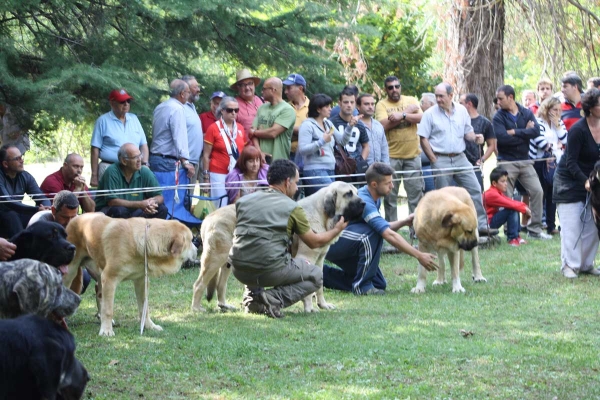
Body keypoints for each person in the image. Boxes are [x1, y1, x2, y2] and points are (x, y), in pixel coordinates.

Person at [228, 159, 348, 318]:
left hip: (239, 269)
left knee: (254, 249)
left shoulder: (243, 201)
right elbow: (314, 242)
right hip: (268, 270)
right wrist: (337, 230)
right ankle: (271, 300)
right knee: (316, 275)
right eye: (296, 182)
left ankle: (252, 299)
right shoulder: (293, 208)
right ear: (287, 182)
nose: (297, 187)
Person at [324, 162, 437, 295]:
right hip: (332, 243)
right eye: (387, 183)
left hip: (350, 242)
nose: (392, 186)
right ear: (374, 185)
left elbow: (382, 226)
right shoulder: (364, 201)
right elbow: (387, 233)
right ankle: (362, 287)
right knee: (372, 234)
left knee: (378, 284)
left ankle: (321, 275)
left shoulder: (374, 198)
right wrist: (419, 255)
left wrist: (404, 221)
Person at [418, 83, 492, 236]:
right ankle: (443, 229)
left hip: (461, 157)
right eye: (436, 96)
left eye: (441, 96)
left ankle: (481, 225)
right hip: (441, 159)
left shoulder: (462, 111)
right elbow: (423, 138)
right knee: (443, 196)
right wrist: (433, 159)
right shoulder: (430, 114)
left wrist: (476, 137)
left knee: (475, 189)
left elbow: (468, 133)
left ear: (451, 96)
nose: (438, 99)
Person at [553, 88, 600, 278]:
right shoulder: (578, 130)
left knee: (593, 226)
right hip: (569, 181)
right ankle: (569, 265)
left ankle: (586, 264)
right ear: (590, 108)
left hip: (593, 180)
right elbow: (570, 162)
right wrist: (585, 182)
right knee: (572, 225)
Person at [493, 84, 551, 240]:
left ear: (510, 97)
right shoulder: (498, 116)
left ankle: (535, 230)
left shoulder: (526, 112)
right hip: (507, 161)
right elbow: (502, 139)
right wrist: (525, 133)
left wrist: (515, 132)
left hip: (525, 160)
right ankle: (510, 232)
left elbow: (536, 131)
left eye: (501, 99)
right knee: (507, 197)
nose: (498, 102)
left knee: (537, 191)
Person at [375, 76, 423, 222]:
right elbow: (382, 126)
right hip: (391, 157)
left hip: (413, 156)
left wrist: (401, 115)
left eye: (397, 86)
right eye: (390, 87)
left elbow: (421, 118)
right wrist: (408, 114)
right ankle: (392, 233)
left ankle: (415, 231)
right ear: (386, 90)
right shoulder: (381, 105)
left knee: (415, 196)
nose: (394, 89)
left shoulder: (411, 101)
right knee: (390, 197)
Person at [297, 93, 353, 196]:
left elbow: (342, 141)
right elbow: (303, 149)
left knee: (325, 206)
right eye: (327, 106)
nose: (330, 109)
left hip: (331, 169)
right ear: (318, 109)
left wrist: (350, 126)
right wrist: (322, 141)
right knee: (335, 195)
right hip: (314, 170)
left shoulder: (328, 123)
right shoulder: (307, 125)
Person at [90, 89, 148, 187]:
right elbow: (95, 149)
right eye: (122, 101)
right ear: (112, 103)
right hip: (110, 166)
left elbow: (143, 145)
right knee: (111, 200)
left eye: (128, 101)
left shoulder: (134, 119)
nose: (126, 104)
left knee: (134, 198)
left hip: (133, 168)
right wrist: (94, 175)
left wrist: (145, 164)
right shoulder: (103, 121)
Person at [95, 143, 167, 219]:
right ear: (124, 161)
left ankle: (147, 230)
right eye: (135, 157)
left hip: (134, 211)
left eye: (140, 155)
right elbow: (112, 202)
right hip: (108, 212)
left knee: (162, 209)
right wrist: (140, 204)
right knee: (120, 211)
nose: (139, 160)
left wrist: (152, 202)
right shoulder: (112, 171)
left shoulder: (145, 171)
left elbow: (160, 196)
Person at [202, 96, 248, 206]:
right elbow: (206, 156)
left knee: (237, 205)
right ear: (222, 110)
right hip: (218, 173)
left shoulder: (240, 128)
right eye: (230, 110)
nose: (233, 113)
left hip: (237, 173)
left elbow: (243, 151)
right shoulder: (213, 128)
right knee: (219, 205)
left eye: (236, 110)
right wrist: (206, 179)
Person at [0, 145, 51, 238]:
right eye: (17, 159)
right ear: (5, 164)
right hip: (3, 218)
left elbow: (41, 197)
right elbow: (8, 202)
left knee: (46, 216)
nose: (22, 160)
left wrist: (46, 209)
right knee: (11, 215)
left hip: (18, 215)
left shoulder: (25, 176)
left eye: (21, 157)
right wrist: (35, 209)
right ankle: (21, 249)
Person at [534, 97, 568, 235]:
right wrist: (556, 146)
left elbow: (566, 139)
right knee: (542, 193)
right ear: (546, 109)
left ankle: (551, 225)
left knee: (553, 194)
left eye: (560, 110)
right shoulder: (538, 122)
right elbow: (541, 143)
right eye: (555, 110)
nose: (557, 113)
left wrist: (558, 126)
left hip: (557, 162)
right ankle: (538, 224)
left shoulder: (558, 123)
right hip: (541, 162)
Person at [149, 79, 195, 179]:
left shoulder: (160, 106)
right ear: (182, 94)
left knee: (156, 192)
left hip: (154, 157)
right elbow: (179, 135)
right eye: (188, 92)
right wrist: (185, 161)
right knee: (169, 193)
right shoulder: (177, 108)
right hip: (167, 161)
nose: (189, 95)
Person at [249, 77, 296, 163]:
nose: (261, 91)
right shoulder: (261, 108)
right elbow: (252, 132)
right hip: (261, 160)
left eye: (264, 89)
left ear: (273, 90)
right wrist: (259, 152)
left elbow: (273, 133)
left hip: (279, 161)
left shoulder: (287, 110)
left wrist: (254, 132)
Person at [483, 168, 530, 246]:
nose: (506, 184)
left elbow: (511, 201)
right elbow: (510, 204)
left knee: (514, 207)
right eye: (503, 181)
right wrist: (525, 209)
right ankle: (512, 238)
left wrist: (524, 207)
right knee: (512, 209)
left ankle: (516, 236)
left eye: (506, 181)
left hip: (490, 221)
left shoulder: (497, 192)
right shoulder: (491, 194)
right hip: (486, 224)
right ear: (494, 183)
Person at [459, 93, 497, 191]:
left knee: (477, 193)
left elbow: (492, 145)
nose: (458, 106)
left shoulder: (485, 122)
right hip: (458, 163)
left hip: (475, 165)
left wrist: (482, 160)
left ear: (469, 104)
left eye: (461, 103)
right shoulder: (458, 121)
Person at [329, 88, 370, 162]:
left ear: (355, 104)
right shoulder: (331, 123)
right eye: (345, 102)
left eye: (352, 102)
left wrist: (361, 162)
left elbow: (366, 146)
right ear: (339, 103)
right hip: (337, 166)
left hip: (356, 166)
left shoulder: (359, 124)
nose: (349, 105)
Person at [180, 75, 204, 193]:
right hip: (185, 164)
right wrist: (184, 161)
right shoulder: (181, 108)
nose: (198, 90)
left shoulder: (191, 107)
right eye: (195, 87)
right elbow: (177, 136)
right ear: (186, 89)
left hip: (194, 162)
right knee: (182, 198)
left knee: (189, 199)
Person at [283, 73, 310, 161]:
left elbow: (314, 132)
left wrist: (290, 128)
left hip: (307, 155)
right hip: (287, 154)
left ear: (300, 88)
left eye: (289, 88)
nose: (285, 91)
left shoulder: (312, 106)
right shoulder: (284, 107)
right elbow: (280, 131)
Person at [358, 93, 389, 165]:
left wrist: (386, 166)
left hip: (378, 170)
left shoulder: (378, 125)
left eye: (372, 104)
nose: (370, 107)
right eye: (366, 104)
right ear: (358, 106)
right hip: (361, 169)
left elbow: (384, 149)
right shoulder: (354, 125)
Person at [231, 69, 263, 134]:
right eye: (243, 85)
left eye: (250, 83)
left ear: (254, 85)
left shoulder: (262, 100)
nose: (247, 88)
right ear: (238, 87)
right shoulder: (233, 105)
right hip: (246, 144)